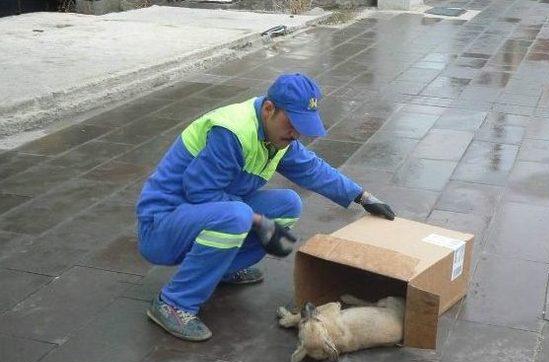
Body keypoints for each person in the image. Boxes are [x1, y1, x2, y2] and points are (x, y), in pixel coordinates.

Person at [136, 73, 395, 342]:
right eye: (292, 123)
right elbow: (201, 192)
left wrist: (363, 197)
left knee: (287, 205)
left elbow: (312, 169)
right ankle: (173, 304)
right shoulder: (232, 132)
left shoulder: (277, 135)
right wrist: (257, 220)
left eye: (302, 125)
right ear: (269, 109)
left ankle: (220, 268)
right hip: (161, 226)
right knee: (238, 217)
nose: (296, 133)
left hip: (202, 213)